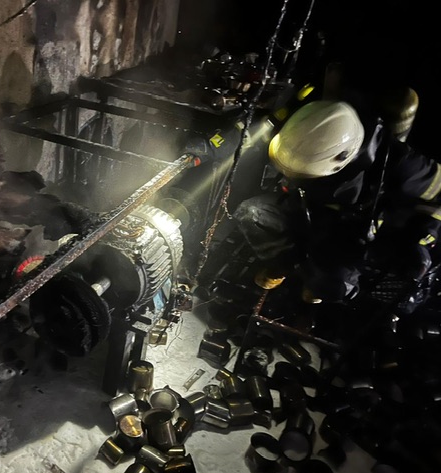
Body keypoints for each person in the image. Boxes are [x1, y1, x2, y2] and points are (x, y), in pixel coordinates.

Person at [188, 91, 440, 315]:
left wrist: (422, 237)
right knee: (252, 213)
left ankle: (312, 286)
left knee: (332, 287)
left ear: (340, 162)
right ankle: (284, 265)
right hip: (303, 206)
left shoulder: (400, 164)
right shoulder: (311, 114)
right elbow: (256, 127)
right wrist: (212, 147)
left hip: (348, 228)